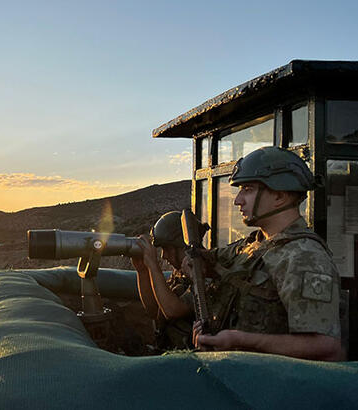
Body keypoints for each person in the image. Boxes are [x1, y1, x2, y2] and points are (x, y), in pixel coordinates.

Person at [188, 146, 343, 361]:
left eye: (248, 189)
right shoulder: (255, 244)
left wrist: (239, 341)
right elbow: (207, 261)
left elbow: (327, 347)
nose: (237, 200)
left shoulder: (304, 257)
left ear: (279, 196)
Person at [131, 211, 208, 350]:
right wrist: (142, 271)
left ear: (181, 246)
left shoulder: (204, 273)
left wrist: (153, 265)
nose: (164, 256)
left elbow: (172, 310)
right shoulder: (180, 275)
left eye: (167, 249)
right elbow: (154, 310)